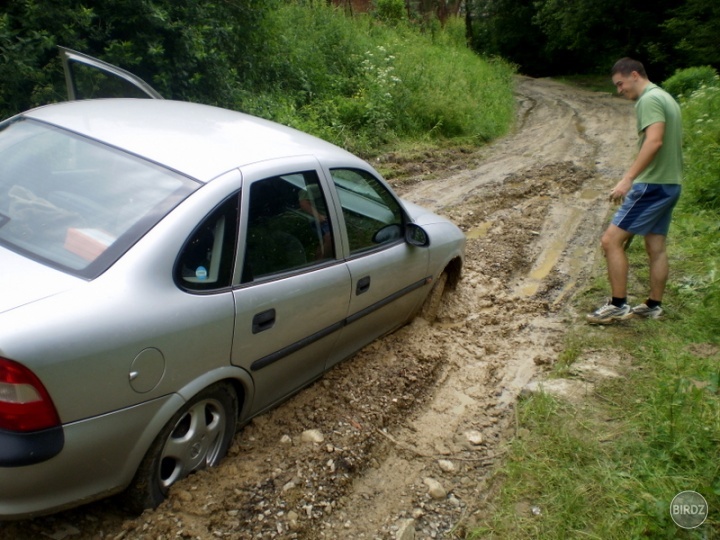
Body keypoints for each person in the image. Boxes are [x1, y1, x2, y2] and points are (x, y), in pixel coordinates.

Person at [587, 57, 683, 324]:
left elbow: (654, 142)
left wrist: (628, 179)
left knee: (610, 241)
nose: (620, 90)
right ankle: (653, 305)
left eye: (620, 84)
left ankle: (618, 305)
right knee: (656, 245)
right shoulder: (666, 97)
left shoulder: (649, 100)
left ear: (633, 75)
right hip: (671, 183)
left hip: (652, 185)